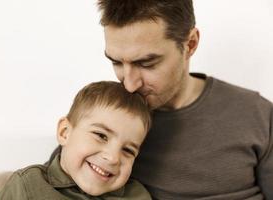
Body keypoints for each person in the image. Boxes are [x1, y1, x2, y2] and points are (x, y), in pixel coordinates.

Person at [95, 0, 273, 199]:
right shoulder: (101, 118)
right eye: (116, 62)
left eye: (146, 63)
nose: (129, 85)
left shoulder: (257, 114)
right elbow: (58, 183)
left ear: (190, 44)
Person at [0, 81, 152, 200]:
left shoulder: (137, 196)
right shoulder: (28, 185)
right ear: (65, 133)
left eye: (128, 150)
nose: (113, 158)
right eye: (101, 136)